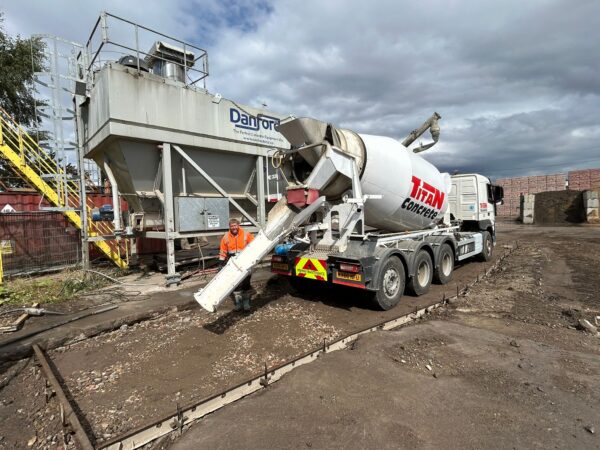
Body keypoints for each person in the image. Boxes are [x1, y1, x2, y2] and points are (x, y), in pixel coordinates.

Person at [219, 218, 254, 311]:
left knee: (246, 283)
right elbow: (223, 251)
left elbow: (254, 246)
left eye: (235, 225)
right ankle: (238, 304)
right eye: (232, 226)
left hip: (245, 261)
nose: (234, 227)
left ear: (238, 225)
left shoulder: (246, 234)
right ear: (229, 227)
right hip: (232, 263)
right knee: (236, 284)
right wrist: (221, 263)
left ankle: (246, 304)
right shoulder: (226, 237)